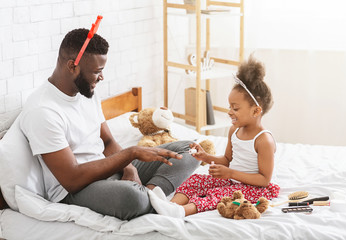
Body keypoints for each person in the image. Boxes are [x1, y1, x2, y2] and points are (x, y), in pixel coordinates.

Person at [19, 28, 199, 220]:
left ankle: (152, 195)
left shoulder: (86, 92)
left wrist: (129, 168)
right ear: (73, 66)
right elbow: (71, 179)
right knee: (132, 198)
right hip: (78, 188)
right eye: (97, 72)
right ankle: (145, 198)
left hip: (110, 168)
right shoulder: (43, 110)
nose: (102, 77)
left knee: (192, 150)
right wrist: (131, 153)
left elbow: (107, 142)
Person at [149, 56, 280, 218]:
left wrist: (230, 173)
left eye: (235, 108)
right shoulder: (234, 130)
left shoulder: (263, 140)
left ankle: (181, 211)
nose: (229, 111)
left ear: (255, 111)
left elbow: (264, 180)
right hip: (233, 180)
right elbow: (226, 159)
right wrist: (205, 156)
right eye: (229, 106)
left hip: (255, 188)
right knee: (196, 180)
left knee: (219, 195)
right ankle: (170, 205)